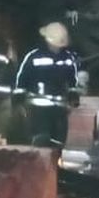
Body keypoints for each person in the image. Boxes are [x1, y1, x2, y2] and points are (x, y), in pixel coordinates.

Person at [15, 21, 84, 154]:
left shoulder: (68, 58)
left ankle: (54, 171)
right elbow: (22, 79)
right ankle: (40, 171)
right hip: (38, 110)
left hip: (58, 109)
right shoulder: (34, 56)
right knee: (41, 143)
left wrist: (73, 96)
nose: (58, 47)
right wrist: (19, 98)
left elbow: (72, 81)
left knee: (58, 144)